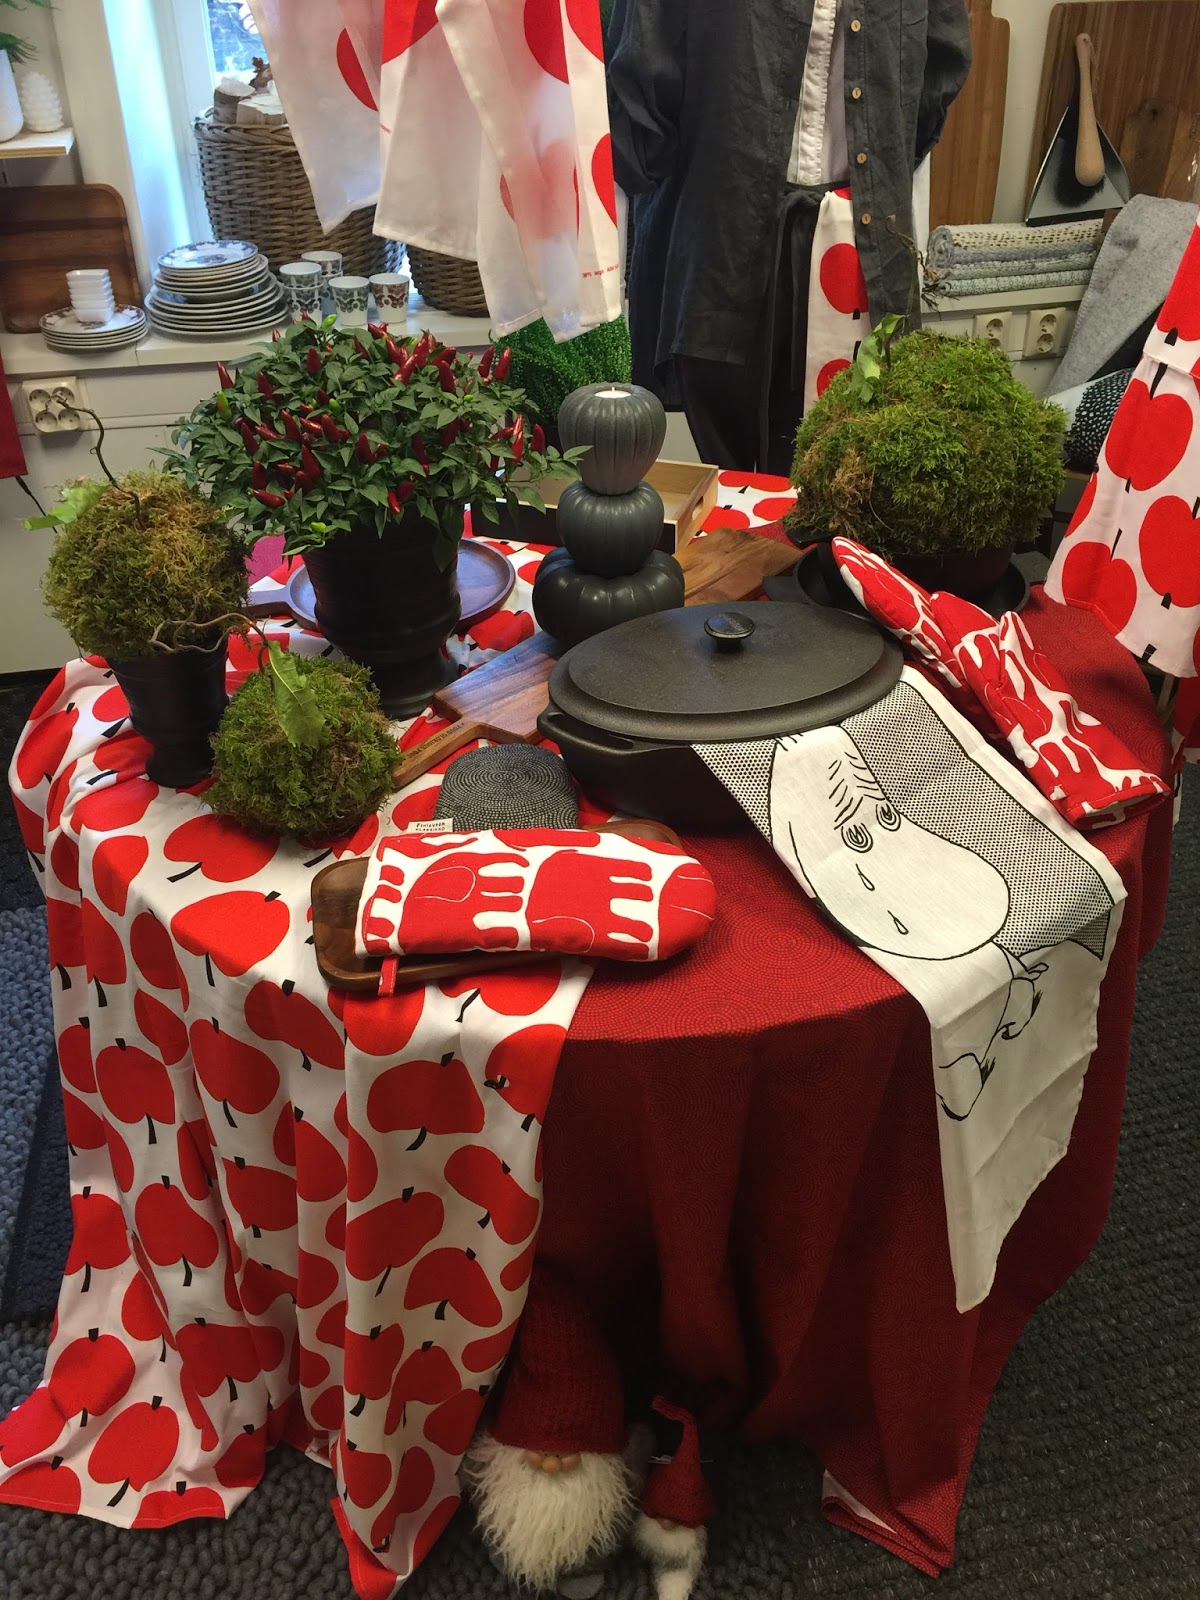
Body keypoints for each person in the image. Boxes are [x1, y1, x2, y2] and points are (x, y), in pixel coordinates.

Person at [606, 0, 972, 471]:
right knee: (742, 469)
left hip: (848, 240)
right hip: (727, 239)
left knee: (852, 464)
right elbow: (641, 100)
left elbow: (938, 68)